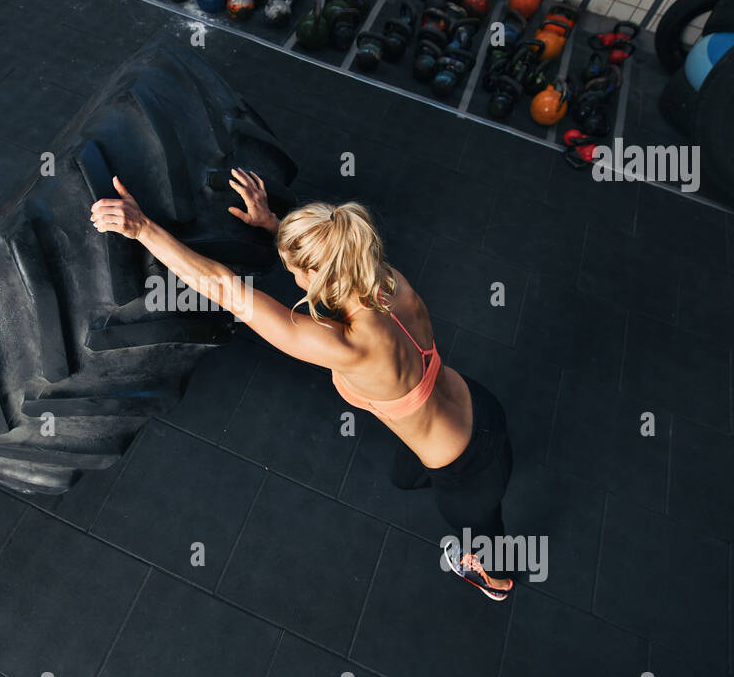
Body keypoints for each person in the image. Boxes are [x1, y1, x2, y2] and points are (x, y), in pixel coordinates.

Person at [91, 169, 516, 600]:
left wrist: (142, 227)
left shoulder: (352, 349)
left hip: (465, 476)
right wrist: (276, 226)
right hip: (478, 403)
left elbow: (225, 288)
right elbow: (334, 259)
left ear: (317, 271)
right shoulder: (388, 280)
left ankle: (493, 577)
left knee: (484, 530)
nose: (293, 278)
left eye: (297, 271)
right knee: (406, 475)